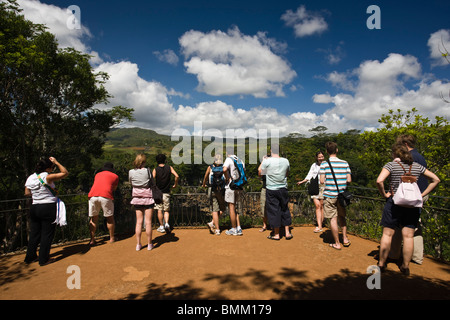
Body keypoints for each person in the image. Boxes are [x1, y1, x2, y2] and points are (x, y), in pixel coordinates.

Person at [376, 143, 440, 275]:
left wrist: (384, 194)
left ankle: (382, 264)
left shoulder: (391, 165)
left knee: (387, 234)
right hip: (412, 205)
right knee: (409, 236)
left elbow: (379, 181)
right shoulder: (417, 166)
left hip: (394, 203)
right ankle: (405, 266)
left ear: (396, 154)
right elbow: (436, 179)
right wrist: (421, 195)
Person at [389, 134, 428, 264]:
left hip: (407, 196)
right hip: (418, 195)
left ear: (405, 145)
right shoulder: (420, 157)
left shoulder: (409, 158)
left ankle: (394, 254)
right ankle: (416, 256)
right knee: (414, 226)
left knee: (398, 225)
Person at [24, 157, 69, 266]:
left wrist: (37, 194)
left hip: (35, 207)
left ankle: (30, 256)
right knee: (47, 234)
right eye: (52, 167)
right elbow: (65, 173)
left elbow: (26, 193)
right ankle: (43, 259)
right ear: (49, 168)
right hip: (47, 207)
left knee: (34, 233)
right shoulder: (47, 177)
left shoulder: (31, 177)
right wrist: (56, 162)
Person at [320, 142, 352, 250]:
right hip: (342, 195)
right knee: (342, 217)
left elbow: (321, 180)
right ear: (336, 150)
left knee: (333, 219)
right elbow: (349, 180)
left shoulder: (324, 164)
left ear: (326, 151)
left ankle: (337, 243)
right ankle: (345, 239)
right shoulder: (345, 163)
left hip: (330, 195)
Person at [259, 144, 292, 240]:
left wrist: (263, 162)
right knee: (285, 208)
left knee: (274, 210)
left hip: (271, 189)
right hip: (283, 188)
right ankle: (287, 232)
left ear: (271, 151)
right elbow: (287, 173)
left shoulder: (267, 161)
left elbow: (260, 173)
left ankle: (277, 234)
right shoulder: (286, 161)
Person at [88, 162, 119, 245]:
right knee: (110, 218)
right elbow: (114, 188)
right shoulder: (115, 176)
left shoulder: (97, 175)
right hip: (106, 196)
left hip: (93, 196)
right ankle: (112, 238)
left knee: (94, 219)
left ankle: (92, 239)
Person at [129, 154, 155, 251]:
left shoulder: (131, 172)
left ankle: (138, 244)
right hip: (148, 197)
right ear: (144, 161)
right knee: (148, 222)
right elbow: (152, 182)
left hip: (137, 198)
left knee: (139, 222)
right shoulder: (148, 171)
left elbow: (131, 182)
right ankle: (149, 244)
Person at [297, 151, 325, 233]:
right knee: (317, 205)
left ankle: (321, 223)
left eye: (322, 156)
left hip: (324, 186)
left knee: (322, 205)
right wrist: (303, 181)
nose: (321, 158)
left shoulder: (326, 165)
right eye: (319, 157)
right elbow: (310, 174)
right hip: (315, 186)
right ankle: (319, 225)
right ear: (317, 157)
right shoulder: (314, 165)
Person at [153, 154, 179, 234]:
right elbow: (177, 176)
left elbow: (151, 179)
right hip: (167, 192)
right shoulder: (169, 168)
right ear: (165, 160)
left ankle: (161, 226)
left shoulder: (155, 169)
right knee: (166, 210)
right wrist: (175, 184)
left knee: (159, 210)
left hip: (158, 193)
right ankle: (167, 224)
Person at [202, 154, 226, 235]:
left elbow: (205, 177)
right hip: (221, 191)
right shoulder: (224, 167)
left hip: (212, 189)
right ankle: (212, 223)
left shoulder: (210, 167)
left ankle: (217, 229)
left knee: (214, 210)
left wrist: (204, 184)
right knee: (223, 208)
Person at [223, 147, 244, 236]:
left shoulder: (228, 159)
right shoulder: (240, 160)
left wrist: (228, 178)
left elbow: (224, 169)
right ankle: (238, 227)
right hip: (239, 185)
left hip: (231, 186)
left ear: (227, 152)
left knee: (231, 207)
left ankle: (234, 229)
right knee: (235, 207)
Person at [259, 154, 271, 232]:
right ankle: (264, 225)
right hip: (264, 188)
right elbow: (259, 172)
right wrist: (263, 161)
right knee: (263, 207)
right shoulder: (265, 168)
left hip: (272, 188)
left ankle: (273, 224)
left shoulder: (272, 167)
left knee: (272, 207)